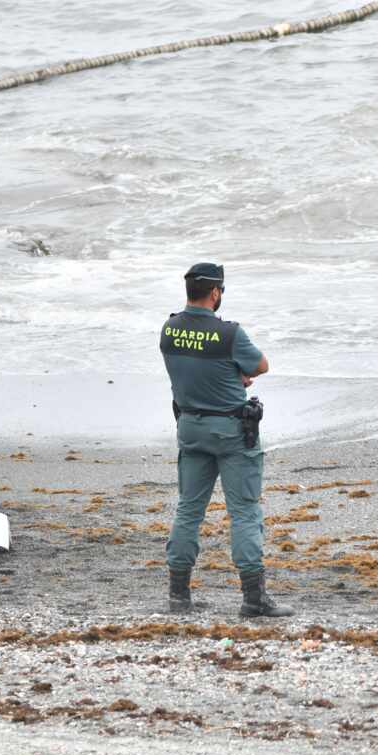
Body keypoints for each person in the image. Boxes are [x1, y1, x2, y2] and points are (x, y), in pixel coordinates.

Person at [161, 262, 292, 618]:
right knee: (244, 512)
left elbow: (191, 370)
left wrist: (228, 376)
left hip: (189, 427)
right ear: (215, 293)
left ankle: (178, 595)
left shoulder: (169, 329)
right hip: (232, 431)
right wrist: (237, 376)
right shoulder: (229, 334)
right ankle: (254, 598)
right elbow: (261, 365)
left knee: (189, 509)